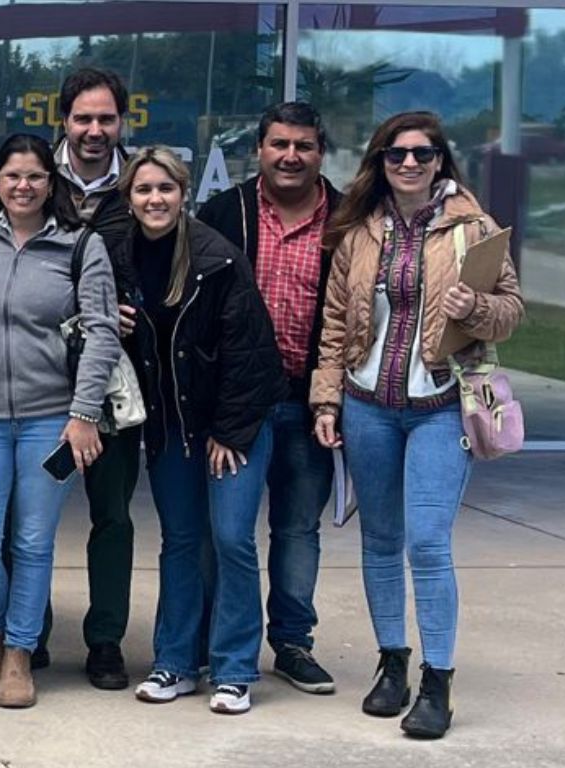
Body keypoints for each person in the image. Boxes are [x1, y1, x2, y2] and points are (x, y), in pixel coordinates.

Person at [313, 111, 523, 740]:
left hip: (438, 406)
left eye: (422, 154)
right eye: (396, 154)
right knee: (380, 539)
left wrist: (477, 306)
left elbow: (511, 311)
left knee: (427, 543)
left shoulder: (474, 228)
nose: (409, 164)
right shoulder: (358, 232)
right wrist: (327, 403)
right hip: (367, 404)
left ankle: (437, 680)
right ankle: (391, 662)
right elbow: (332, 325)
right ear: (379, 161)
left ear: (440, 160)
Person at [115, 147, 286, 715]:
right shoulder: (120, 258)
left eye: (165, 188)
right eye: (143, 190)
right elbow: (94, 341)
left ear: (183, 193)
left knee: (233, 539)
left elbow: (253, 355)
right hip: (170, 429)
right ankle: (176, 662)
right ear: (129, 198)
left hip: (228, 428)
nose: (154, 199)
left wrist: (232, 434)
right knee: (181, 542)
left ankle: (235, 668)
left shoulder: (218, 258)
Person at [0, 133, 119, 708]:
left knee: (32, 541)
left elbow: (100, 333)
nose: (23, 187)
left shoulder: (80, 244)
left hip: (53, 417)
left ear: (54, 183)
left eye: (36, 177)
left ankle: (19, 652)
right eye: (12, 176)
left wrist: (84, 413)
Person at [195, 101, 343, 695]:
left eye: (303, 145)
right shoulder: (222, 213)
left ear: (320, 153)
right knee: (229, 533)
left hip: (313, 402)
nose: (291, 156)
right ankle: (228, 646)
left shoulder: (347, 220)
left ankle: (292, 642)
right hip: (238, 406)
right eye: (279, 143)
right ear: (259, 149)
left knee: (298, 528)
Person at [51, 66, 141, 688]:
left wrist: (144, 312)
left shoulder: (142, 186)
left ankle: (105, 639)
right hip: (34, 378)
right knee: (22, 514)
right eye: (83, 118)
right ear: (63, 121)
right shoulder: (28, 175)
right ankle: (20, 633)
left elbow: (176, 260)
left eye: (106, 118)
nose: (94, 130)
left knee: (111, 514)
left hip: (110, 382)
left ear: (122, 122)